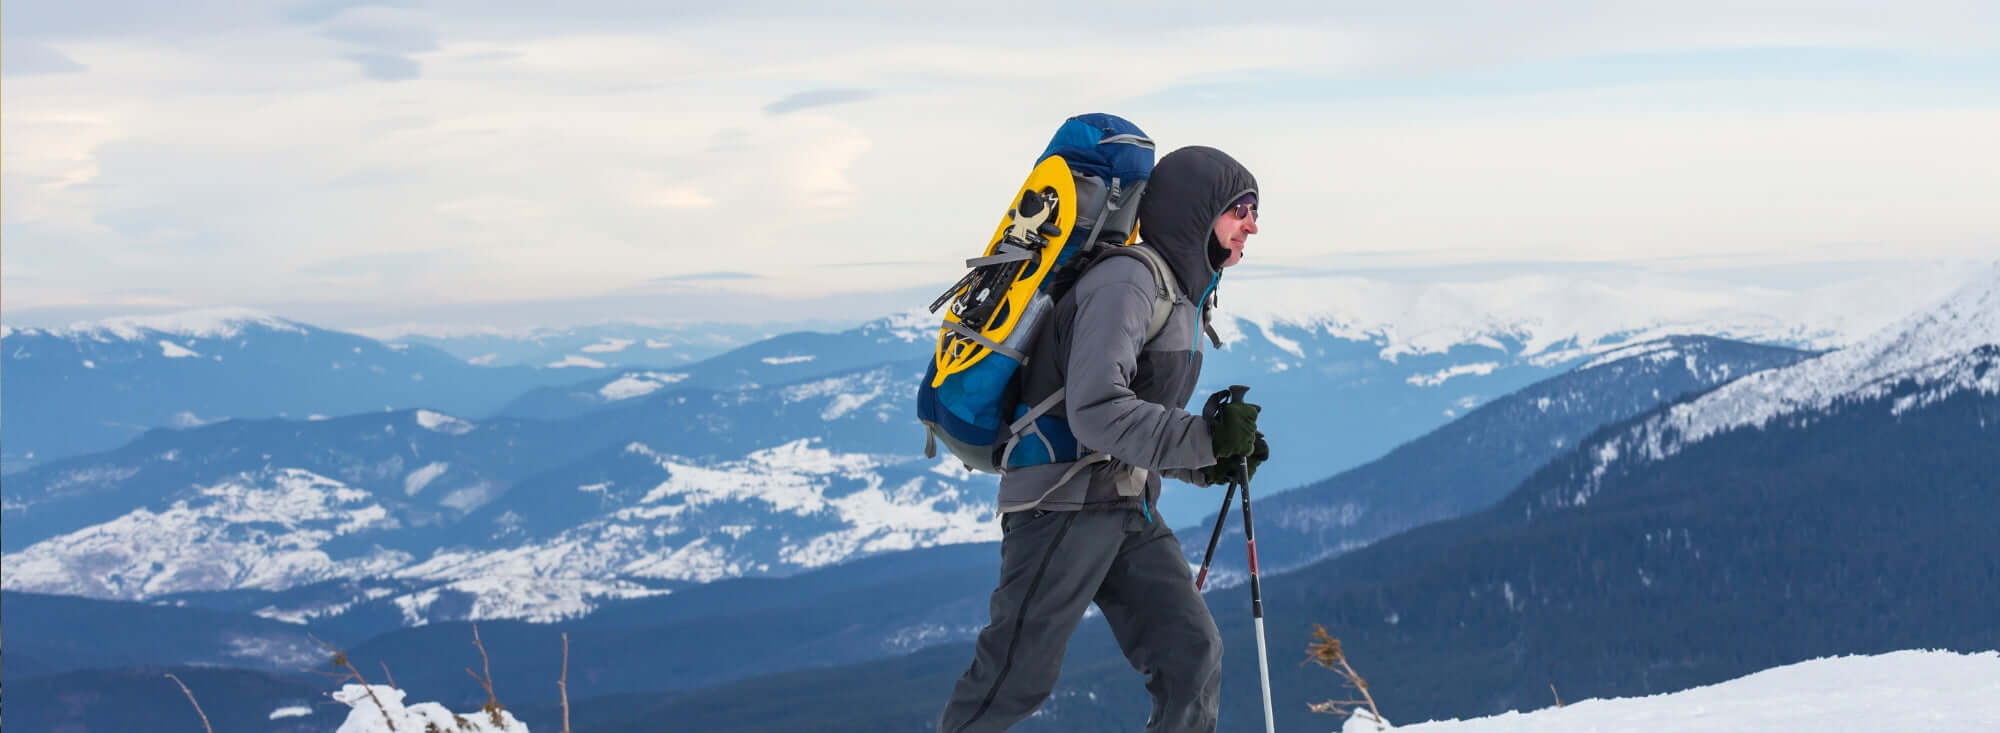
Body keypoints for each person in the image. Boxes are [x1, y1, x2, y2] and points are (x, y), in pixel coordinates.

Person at [938, 145, 1271, 733]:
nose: (1251, 224)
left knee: (1191, 656)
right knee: (1014, 676)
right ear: (1196, 210)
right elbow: (1096, 411)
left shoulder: (1182, 294)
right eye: (1239, 209)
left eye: (1255, 211)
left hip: (1124, 503)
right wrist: (1203, 438)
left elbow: (1140, 420)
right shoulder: (1127, 281)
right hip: (1061, 503)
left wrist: (1211, 459)